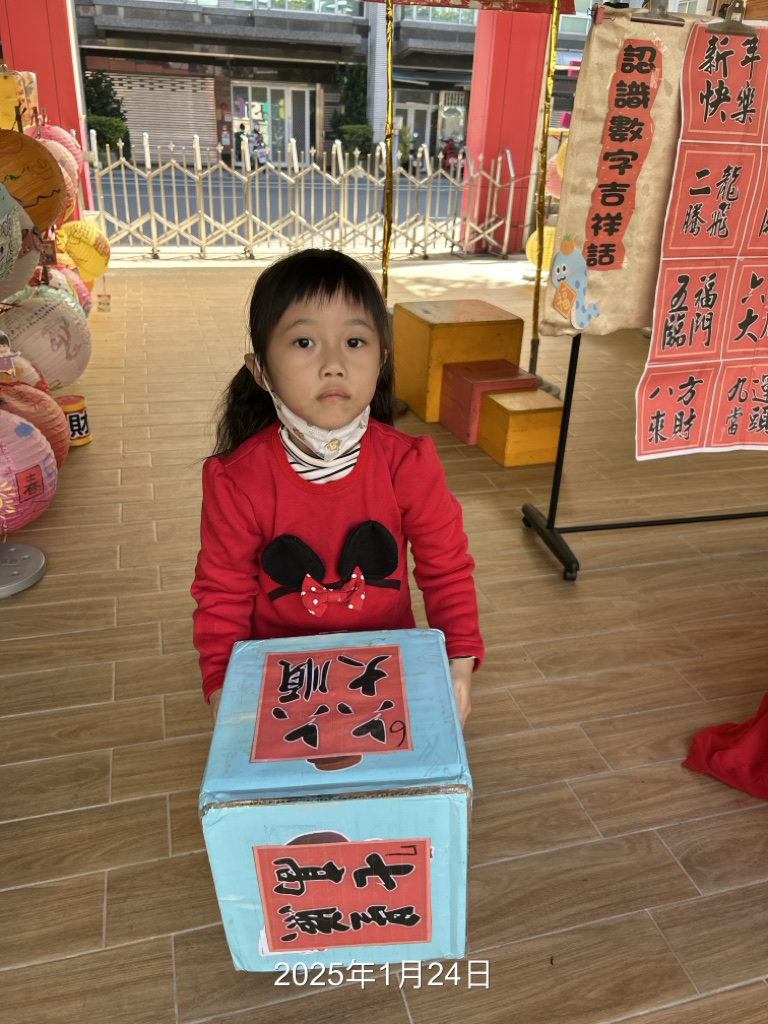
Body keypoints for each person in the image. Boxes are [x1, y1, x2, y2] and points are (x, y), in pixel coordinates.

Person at [192, 248, 483, 727]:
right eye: (304, 341)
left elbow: (447, 569)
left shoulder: (408, 463)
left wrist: (460, 662)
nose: (334, 364)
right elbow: (222, 592)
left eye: (354, 341)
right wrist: (225, 687)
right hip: (283, 677)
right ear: (260, 369)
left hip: (385, 670)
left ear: (381, 359)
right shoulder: (235, 479)